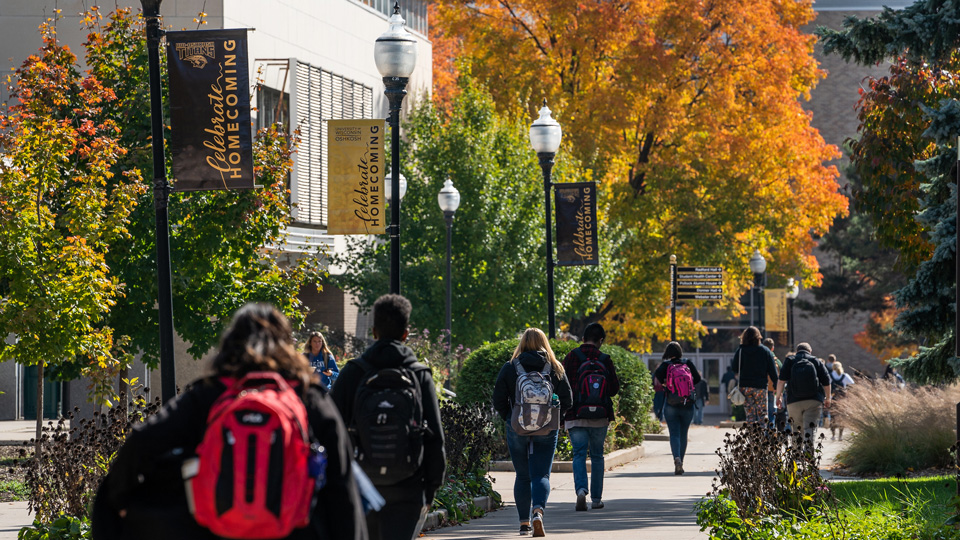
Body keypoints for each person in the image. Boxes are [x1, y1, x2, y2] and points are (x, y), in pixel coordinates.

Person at [92, 303, 366, 540]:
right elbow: (342, 485)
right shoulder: (309, 398)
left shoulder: (209, 394)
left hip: (215, 530)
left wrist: (118, 505)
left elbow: (142, 441)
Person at [331, 294, 445, 540]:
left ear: (374, 332)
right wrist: (431, 487)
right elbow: (435, 436)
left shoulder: (353, 372)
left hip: (362, 483)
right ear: (406, 333)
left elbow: (331, 430)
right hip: (408, 485)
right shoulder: (419, 375)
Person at [493, 328, 573, 537]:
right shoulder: (555, 368)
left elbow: (498, 399)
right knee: (541, 474)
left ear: (522, 343)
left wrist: (509, 418)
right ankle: (538, 512)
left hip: (517, 425)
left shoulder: (510, 367)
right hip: (546, 426)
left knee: (522, 476)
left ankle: (523, 524)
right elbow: (568, 400)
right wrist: (557, 417)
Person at [561, 323, 620, 512]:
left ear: (583, 337)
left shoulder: (571, 357)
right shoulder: (604, 359)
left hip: (575, 415)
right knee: (596, 456)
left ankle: (580, 490)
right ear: (600, 340)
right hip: (600, 417)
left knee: (578, 454)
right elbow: (613, 389)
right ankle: (596, 499)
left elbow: (562, 386)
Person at [654, 341, 702, 475]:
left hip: (671, 403)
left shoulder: (665, 365)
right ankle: (682, 461)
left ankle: (676, 458)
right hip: (687, 403)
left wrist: (667, 384)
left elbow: (657, 377)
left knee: (674, 433)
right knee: (683, 433)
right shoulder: (688, 363)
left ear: (668, 353)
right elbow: (697, 379)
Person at [775, 342, 832, 449]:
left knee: (796, 428)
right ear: (810, 351)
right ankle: (809, 457)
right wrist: (828, 398)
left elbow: (781, 381)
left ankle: (797, 456)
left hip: (793, 401)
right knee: (809, 429)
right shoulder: (816, 361)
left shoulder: (790, 360)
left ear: (797, 351)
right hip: (814, 400)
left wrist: (779, 397)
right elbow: (827, 381)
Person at [730, 327, 778, 424]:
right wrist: (776, 386)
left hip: (745, 387)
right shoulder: (765, 351)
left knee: (750, 415)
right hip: (760, 387)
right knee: (762, 414)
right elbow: (773, 371)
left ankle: (752, 437)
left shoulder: (740, 350)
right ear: (758, 337)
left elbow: (734, 368)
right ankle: (761, 437)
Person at [829, 361, 855, 441]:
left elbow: (827, 384)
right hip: (842, 399)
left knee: (833, 417)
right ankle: (840, 436)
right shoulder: (845, 375)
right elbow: (852, 384)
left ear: (833, 367)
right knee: (841, 417)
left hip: (833, 398)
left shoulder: (830, 375)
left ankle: (833, 435)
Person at [763, 338, 781, 427]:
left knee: (762, 416)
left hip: (762, 389)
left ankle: (763, 436)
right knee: (772, 416)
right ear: (773, 348)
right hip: (773, 390)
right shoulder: (777, 361)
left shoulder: (760, 359)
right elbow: (782, 378)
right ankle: (771, 436)